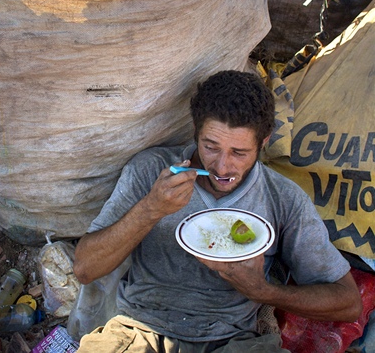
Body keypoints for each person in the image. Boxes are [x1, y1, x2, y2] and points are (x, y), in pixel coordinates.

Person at [72, 70, 362, 352]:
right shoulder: (151, 171)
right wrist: (150, 209)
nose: (222, 167)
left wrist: (263, 292)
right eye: (210, 147)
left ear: (264, 142)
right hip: (140, 330)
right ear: (195, 132)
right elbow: (85, 269)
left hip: (233, 342)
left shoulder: (282, 199)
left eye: (239, 153)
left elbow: (348, 303)